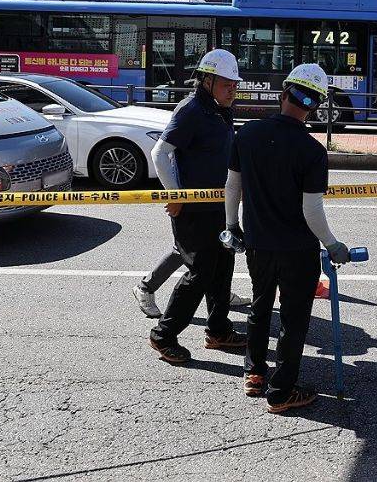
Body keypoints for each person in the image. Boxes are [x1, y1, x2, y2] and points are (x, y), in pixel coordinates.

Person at [225, 63, 350, 414]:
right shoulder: (311, 151)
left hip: (258, 243)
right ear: (314, 106)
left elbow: (232, 185)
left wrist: (231, 225)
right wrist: (332, 244)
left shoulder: (247, 134)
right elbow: (311, 208)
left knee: (260, 306)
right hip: (297, 249)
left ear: (283, 94)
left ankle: (254, 372)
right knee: (294, 319)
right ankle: (281, 392)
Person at [147, 49, 248, 364]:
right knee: (200, 272)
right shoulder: (191, 109)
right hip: (194, 211)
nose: (233, 89)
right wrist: (175, 194)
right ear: (208, 80)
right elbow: (159, 153)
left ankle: (218, 330)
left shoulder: (221, 110)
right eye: (227, 84)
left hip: (220, 207)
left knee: (223, 268)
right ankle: (163, 335)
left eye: (235, 84)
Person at [132, 253, 250, 319]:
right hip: (192, 211)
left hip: (213, 210)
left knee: (220, 246)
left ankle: (220, 293)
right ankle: (145, 287)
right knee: (184, 249)